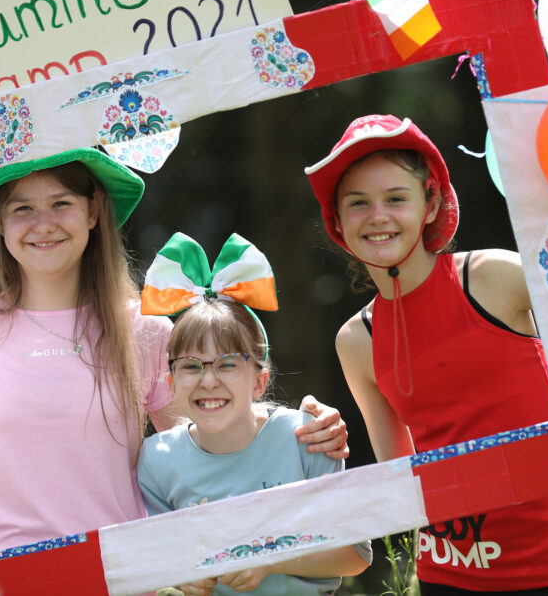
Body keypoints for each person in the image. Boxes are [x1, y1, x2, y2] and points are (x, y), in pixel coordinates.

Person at [0, 148, 349, 560]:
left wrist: (297, 432)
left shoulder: (146, 330)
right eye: (22, 207)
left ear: (92, 211)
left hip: (121, 574)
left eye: (61, 203)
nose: (43, 223)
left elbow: (208, 448)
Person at [303, 115, 548, 595]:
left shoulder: (493, 279)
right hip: (450, 576)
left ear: (430, 202)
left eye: (396, 198)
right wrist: (327, 440)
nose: (377, 216)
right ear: (338, 222)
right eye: (358, 203)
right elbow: (402, 479)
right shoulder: (356, 339)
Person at [135, 232, 371, 596]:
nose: (208, 381)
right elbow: (159, 560)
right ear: (171, 382)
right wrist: (183, 576)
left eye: (227, 364)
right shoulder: (155, 460)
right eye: (191, 366)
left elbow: (355, 553)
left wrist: (269, 558)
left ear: (259, 381)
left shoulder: (307, 435)